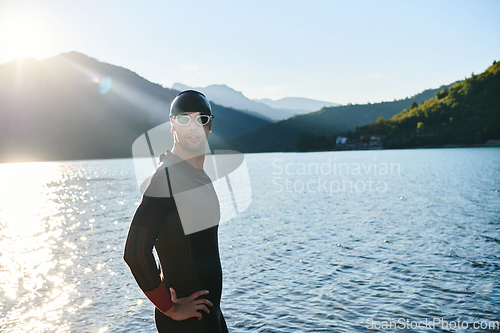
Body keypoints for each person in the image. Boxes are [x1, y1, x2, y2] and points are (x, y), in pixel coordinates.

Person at [123, 90, 229, 332]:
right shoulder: (166, 179)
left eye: (200, 119)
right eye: (183, 119)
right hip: (185, 322)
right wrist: (169, 308)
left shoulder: (198, 176)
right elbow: (135, 251)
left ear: (209, 125)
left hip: (209, 314)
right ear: (172, 126)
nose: (193, 127)